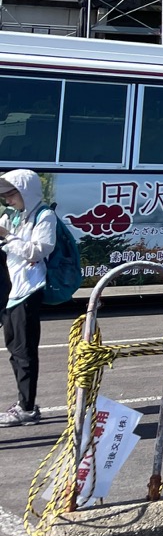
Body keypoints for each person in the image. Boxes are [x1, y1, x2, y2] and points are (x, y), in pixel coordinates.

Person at [1, 169, 55, 426]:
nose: (8, 200)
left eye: (11, 195)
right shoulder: (14, 216)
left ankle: (28, 408)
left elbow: (37, 251)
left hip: (28, 291)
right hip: (11, 291)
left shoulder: (44, 216)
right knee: (14, 350)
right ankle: (24, 403)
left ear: (25, 192)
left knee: (24, 351)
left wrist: (7, 236)